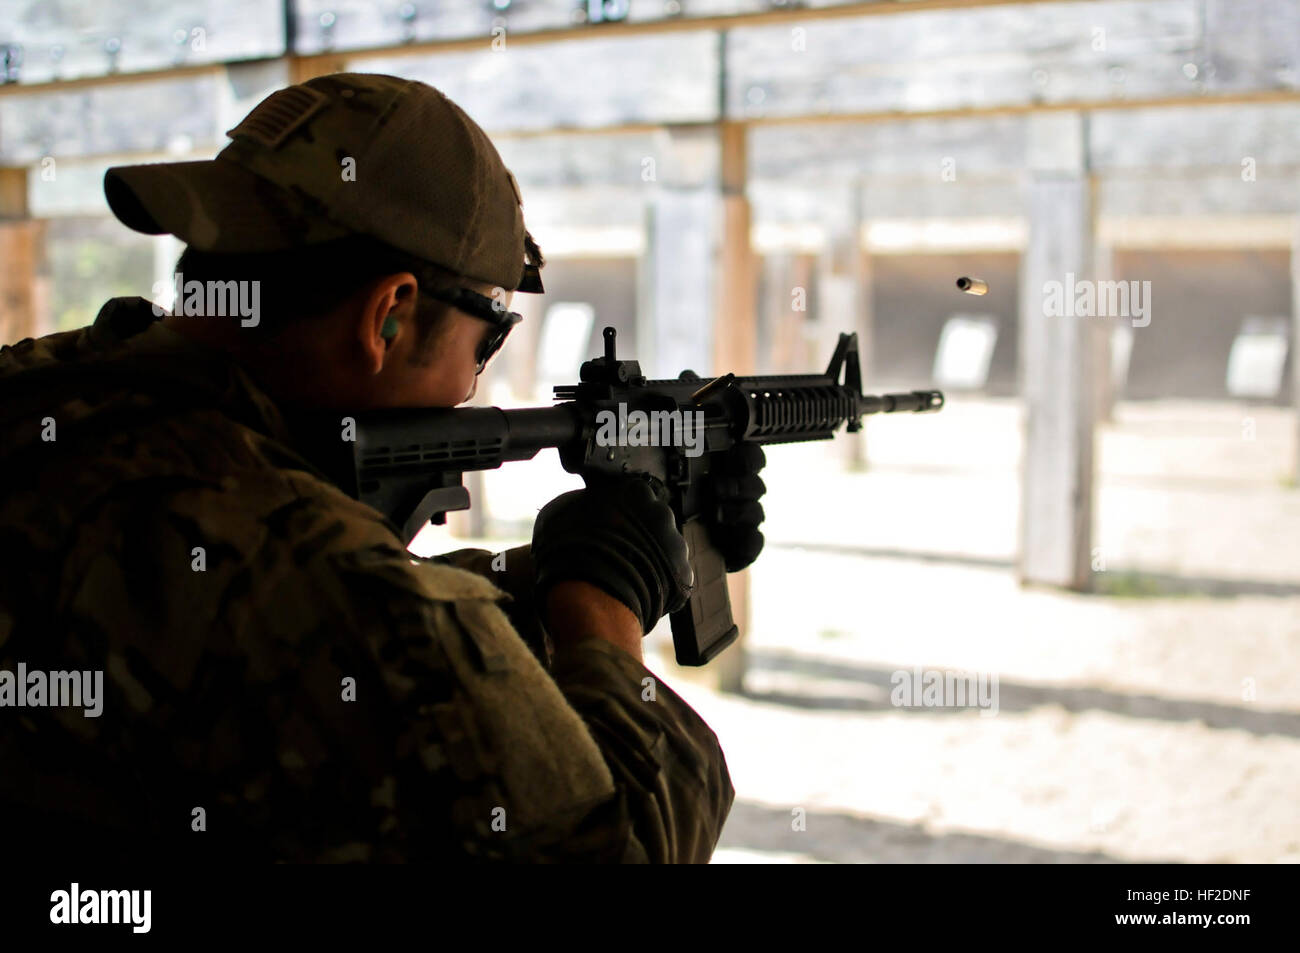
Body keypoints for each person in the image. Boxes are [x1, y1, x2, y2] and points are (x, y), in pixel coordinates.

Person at [0, 73, 765, 862]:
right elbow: (622, 845)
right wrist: (606, 612)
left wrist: (546, 576)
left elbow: (287, 633)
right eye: (488, 338)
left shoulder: (44, 401)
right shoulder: (293, 561)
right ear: (388, 313)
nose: (474, 385)